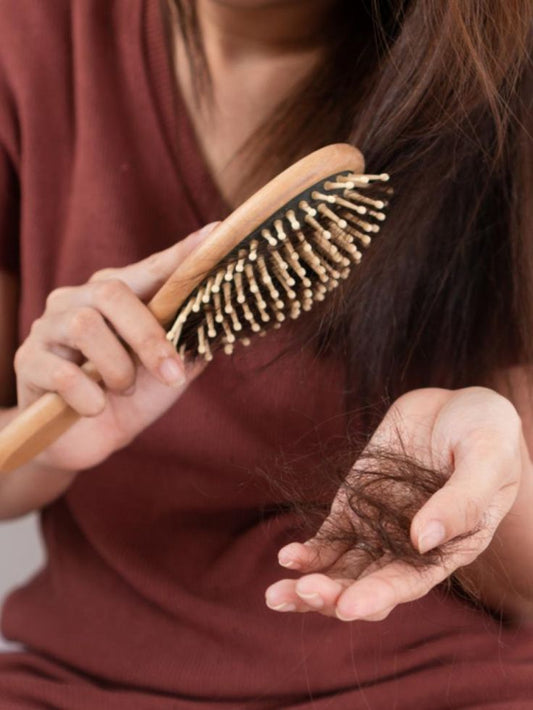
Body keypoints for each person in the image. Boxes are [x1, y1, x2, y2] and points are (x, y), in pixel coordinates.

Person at [0, 0, 531, 707]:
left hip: (438, 685)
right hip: (78, 685)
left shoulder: (499, 84)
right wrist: (45, 435)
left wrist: (490, 471)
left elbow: (521, 576)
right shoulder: (28, 40)